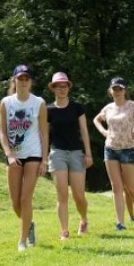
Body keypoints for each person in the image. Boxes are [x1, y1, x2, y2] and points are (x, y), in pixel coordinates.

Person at [93, 76, 134, 231]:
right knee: (116, 187)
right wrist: (103, 131)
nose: (117, 91)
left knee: (131, 187)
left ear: (125, 90)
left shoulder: (133, 106)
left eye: (120, 89)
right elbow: (96, 120)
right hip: (110, 150)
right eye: (114, 89)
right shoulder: (108, 108)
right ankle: (120, 223)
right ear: (110, 91)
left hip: (128, 150)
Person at [0, 64, 49, 252]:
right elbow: (2, 133)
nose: (23, 82)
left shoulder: (39, 103)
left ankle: (22, 241)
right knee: (15, 203)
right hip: (14, 156)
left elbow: (44, 133)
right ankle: (29, 224)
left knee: (25, 198)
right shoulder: (6, 103)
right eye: (20, 78)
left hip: (33, 154)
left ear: (31, 82)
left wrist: (44, 160)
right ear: (14, 80)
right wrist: (9, 154)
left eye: (27, 79)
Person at [46, 71, 93, 240]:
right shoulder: (48, 110)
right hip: (57, 153)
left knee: (79, 195)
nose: (62, 89)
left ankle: (84, 220)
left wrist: (88, 154)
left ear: (68, 88)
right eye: (58, 86)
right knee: (62, 195)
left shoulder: (77, 107)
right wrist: (44, 158)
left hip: (76, 153)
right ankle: (64, 231)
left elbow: (84, 131)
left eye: (64, 86)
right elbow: (45, 135)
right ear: (53, 89)